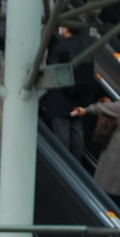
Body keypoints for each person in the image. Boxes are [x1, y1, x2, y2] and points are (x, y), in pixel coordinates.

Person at [72, 94, 120, 203]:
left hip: (116, 144)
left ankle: (100, 198)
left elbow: (102, 107)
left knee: (106, 174)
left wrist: (85, 110)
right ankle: (118, 198)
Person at [42, 26, 99, 161]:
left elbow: (52, 71)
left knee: (62, 135)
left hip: (60, 98)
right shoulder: (84, 46)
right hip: (79, 97)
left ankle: (63, 162)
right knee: (76, 132)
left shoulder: (59, 46)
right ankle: (76, 162)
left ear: (67, 29)